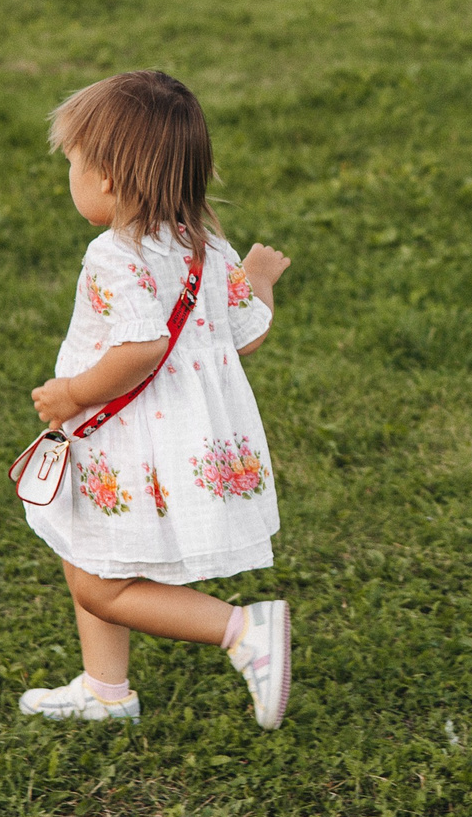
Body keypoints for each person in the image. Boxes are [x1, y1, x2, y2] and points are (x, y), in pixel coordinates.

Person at [16, 69, 299, 726]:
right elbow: (246, 334)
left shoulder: (115, 255)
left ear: (109, 180)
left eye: (76, 164)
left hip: (131, 440)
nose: (71, 175)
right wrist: (257, 279)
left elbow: (139, 347)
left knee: (98, 580)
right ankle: (105, 689)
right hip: (179, 436)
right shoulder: (202, 246)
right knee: (85, 547)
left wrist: (70, 393)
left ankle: (242, 629)